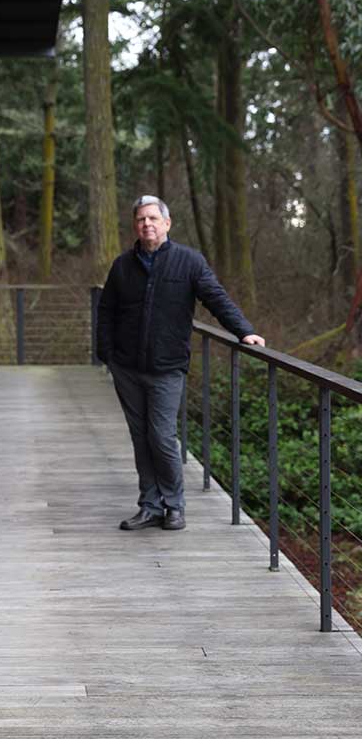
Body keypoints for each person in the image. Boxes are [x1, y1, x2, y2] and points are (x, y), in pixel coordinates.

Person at [96, 195, 264, 532]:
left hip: (167, 366)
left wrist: (244, 332)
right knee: (140, 438)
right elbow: (106, 312)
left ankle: (174, 505)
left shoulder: (189, 262)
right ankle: (149, 505)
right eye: (141, 219)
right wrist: (107, 354)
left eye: (153, 219)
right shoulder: (122, 266)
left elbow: (216, 298)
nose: (147, 224)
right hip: (127, 367)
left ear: (167, 223)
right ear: (135, 226)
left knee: (161, 436)